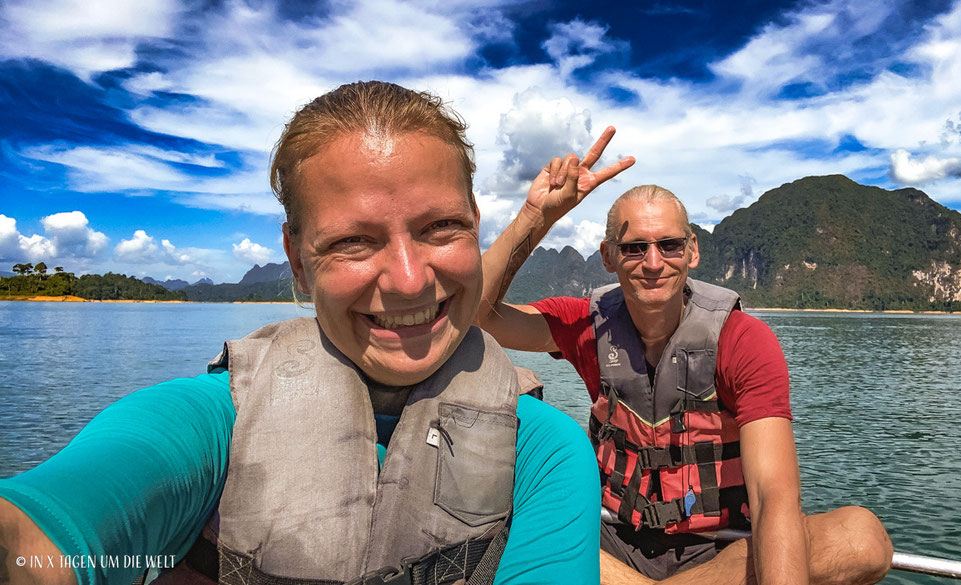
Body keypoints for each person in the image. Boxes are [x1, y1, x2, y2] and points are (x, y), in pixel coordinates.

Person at [0, 81, 602, 585]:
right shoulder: (210, 422)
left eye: (441, 227)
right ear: (296, 258)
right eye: (352, 241)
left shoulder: (544, 452)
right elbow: (40, 537)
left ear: (475, 224)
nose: (410, 281)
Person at [476, 144, 894, 584]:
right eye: (635, 248)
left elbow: (773, 496)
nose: (653, 263)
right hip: (613, 538)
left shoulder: (742, 339)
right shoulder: (585, 325)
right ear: (608, 256)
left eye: (669, 245)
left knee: (863, 538)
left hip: (721, 546)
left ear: (692, 251)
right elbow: (476, 316)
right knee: (502, 522)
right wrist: (535, 216)